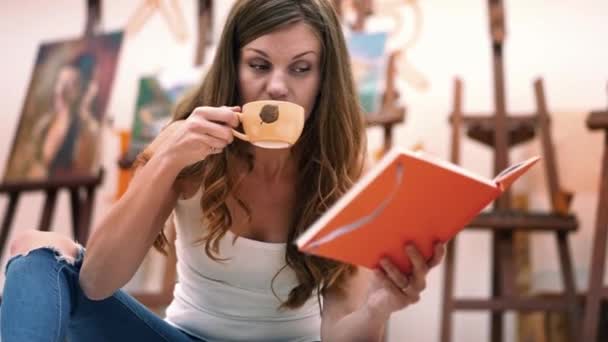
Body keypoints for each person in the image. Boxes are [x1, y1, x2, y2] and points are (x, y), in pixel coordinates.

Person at [0, 0, 445, 341]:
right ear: (233, 67)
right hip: (183, 336)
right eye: (258, 64)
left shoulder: (341, 172)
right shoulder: (186, 146)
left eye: (301, 68)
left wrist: (377, 310)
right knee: (37, 250)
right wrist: (167, 162)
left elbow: (338, 331)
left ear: (324, 79)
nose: (276, 86)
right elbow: (96, 282)